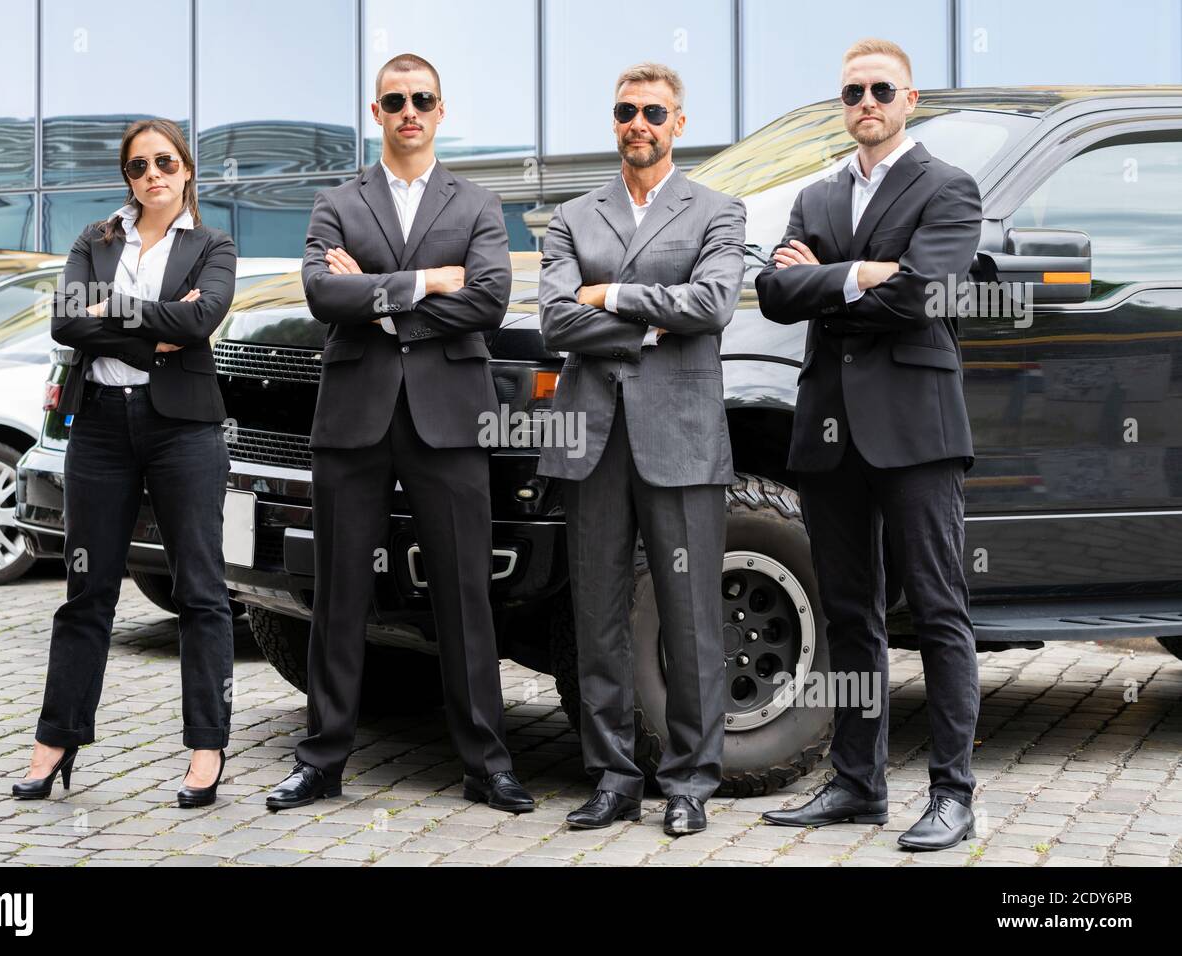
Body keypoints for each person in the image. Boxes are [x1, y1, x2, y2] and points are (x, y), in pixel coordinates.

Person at [267, 53, 533, 814]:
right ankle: (321, 759)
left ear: (441, 110)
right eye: (394, 100)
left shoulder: (478, 202)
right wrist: (426, 281)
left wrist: (376, 298)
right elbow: (322, 293)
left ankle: (487, 762)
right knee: (339, 593)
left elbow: (487, 300)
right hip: (355, 417)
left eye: (421, 99)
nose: (408, 110)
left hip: (448, 417)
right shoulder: (337, 201)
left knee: (464, 594)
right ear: (376, 112)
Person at [755, 38, 982, 851]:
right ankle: (858, 782)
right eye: (852, 91)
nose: (866, 102)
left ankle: (953, 793)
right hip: (829, 429)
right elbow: (776, 292)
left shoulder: (949, 186)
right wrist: (866, 274)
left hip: (917, 430)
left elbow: (924, 295)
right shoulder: (817, 195)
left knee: (939, 610)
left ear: (910, 99)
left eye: (881, 89)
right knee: (850, 613)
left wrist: (833, 277)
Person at [537, 62, 746, 836]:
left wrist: (612, 296)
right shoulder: (573, 216)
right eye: (626, 110)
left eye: (654, 111)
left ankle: (690, 781)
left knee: (691, 616)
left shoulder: (717, 211)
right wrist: (657, 322)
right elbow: (556, 321)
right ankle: (613, 776)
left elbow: (714, 303)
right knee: (596, 615)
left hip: (682, 441)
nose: (639, 123)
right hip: (592, 440)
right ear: (614, 119)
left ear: (678, 123)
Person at [13, 118, 238, 810]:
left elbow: (200, 324)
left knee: (200, 590)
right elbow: (65, 319)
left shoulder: (213, 245)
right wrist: (152, 333)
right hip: (101, 429)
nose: (152, 176)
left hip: (184, 432)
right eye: (138, 167)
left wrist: (120, 311)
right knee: (87, 591)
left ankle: (207, 745)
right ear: (128, 178)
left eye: (164, 162)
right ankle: (56, 739)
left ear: (186, 169)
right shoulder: (96, 238)